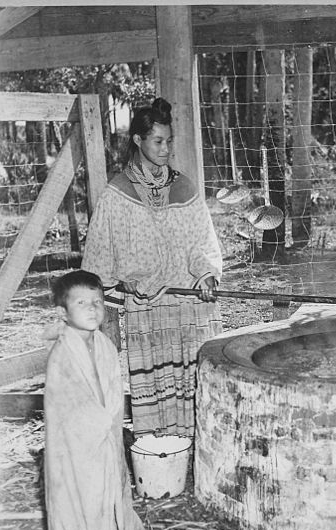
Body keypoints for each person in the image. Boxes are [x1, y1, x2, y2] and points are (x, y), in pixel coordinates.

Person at [82, 97, 223, 438]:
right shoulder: (116, 195)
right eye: (158, 141)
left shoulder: (185, 188)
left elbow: (201, 240)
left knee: (193, 375)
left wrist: (205, 273)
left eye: (169, 141)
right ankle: (159, 448)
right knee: (156, 379)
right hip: (148, 310)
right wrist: (121, 282)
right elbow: (101, 254)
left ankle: (195, 444)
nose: (165, 149)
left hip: (186, 305)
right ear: (138, 141)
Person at [44, 270, 164, 530]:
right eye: (81, 302)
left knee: (108, 494)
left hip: (103, 439)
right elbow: (68, 410)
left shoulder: (105, 346)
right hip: (74, 450)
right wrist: (98, 427)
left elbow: (112, 396)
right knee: (80, 501)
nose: (92, 308)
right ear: (64, 312)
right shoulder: (61, 356)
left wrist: (113, 430)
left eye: (97, 301)